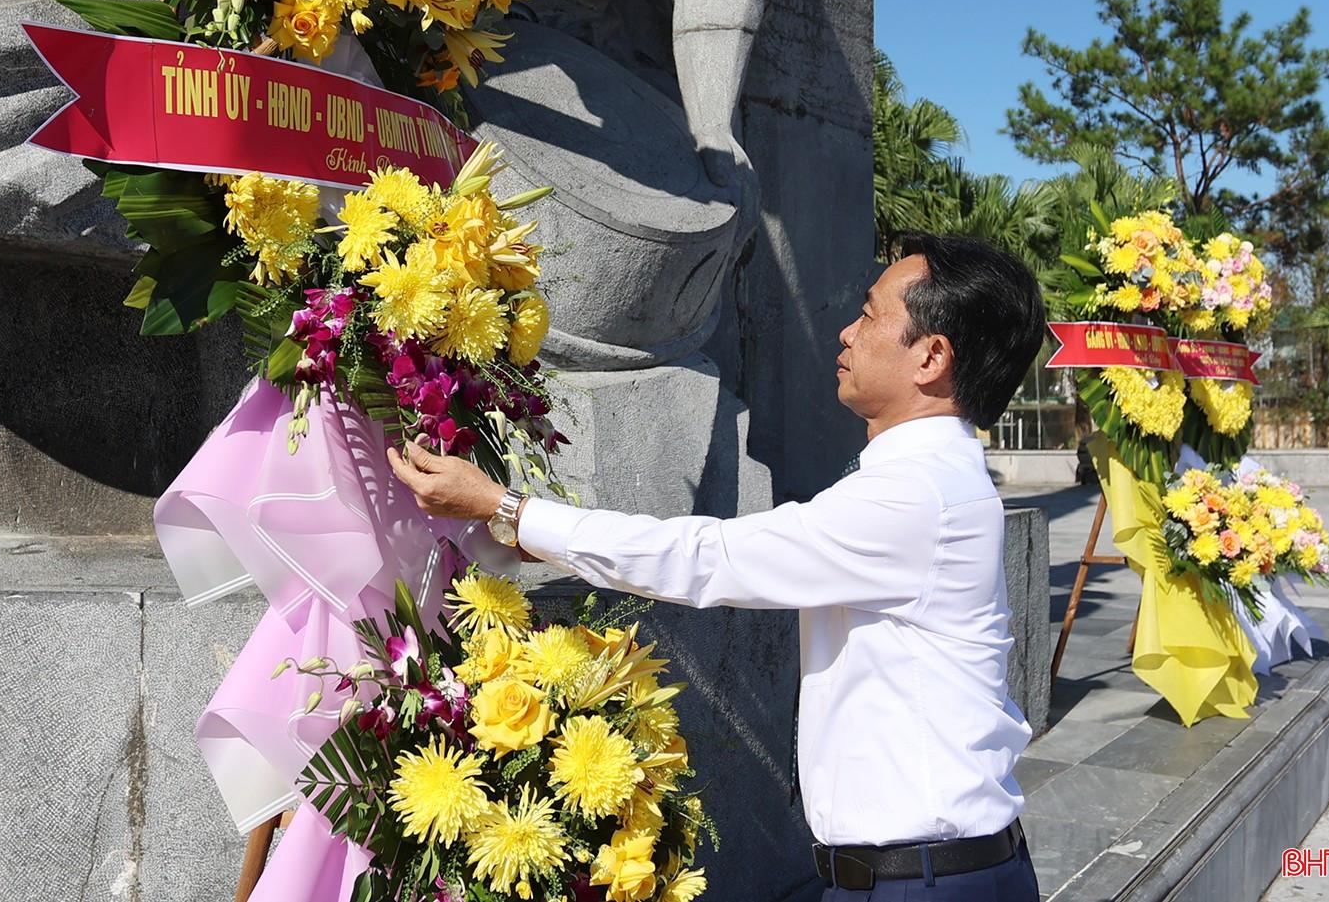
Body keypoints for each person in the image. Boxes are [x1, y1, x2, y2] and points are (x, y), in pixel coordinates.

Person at [387, 235, 1048, 901]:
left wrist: (508, 508)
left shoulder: (914, 495)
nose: (846, 332)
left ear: (931, 357)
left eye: (871, 315)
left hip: (925, 884)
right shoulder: (930, 481)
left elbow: (713, 558)